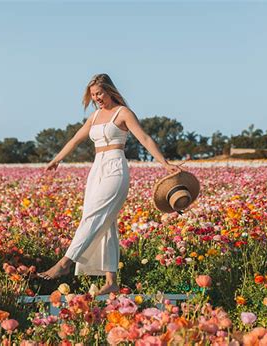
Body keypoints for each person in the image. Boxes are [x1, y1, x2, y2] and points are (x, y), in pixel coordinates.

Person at [37, 73, 183, 295]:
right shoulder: (95, 117)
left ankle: (65, 263)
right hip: (97, 169)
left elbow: (145, 138)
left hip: (116, 168)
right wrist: (56, 159)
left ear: (110, 91)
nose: (97, 98)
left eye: (99, 93)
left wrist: (165, 163)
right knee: (106, 222)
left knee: (94, 216)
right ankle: (111, 280)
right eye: (93, 95)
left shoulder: (123, 113)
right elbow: (75, 139)